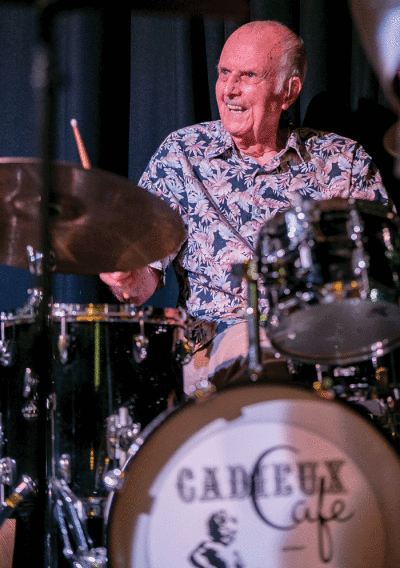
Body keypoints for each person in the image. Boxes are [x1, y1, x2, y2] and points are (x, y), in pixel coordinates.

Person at [100, 20, 389, 394]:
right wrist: (124, 277)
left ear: (288, 92)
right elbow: (140, 283)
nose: (229, 90)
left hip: (327, 344)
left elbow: (382, 275)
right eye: (224, 73)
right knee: (253, 350)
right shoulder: (183, 154)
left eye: (248, 75)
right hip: (217, 344)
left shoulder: (343, 161)